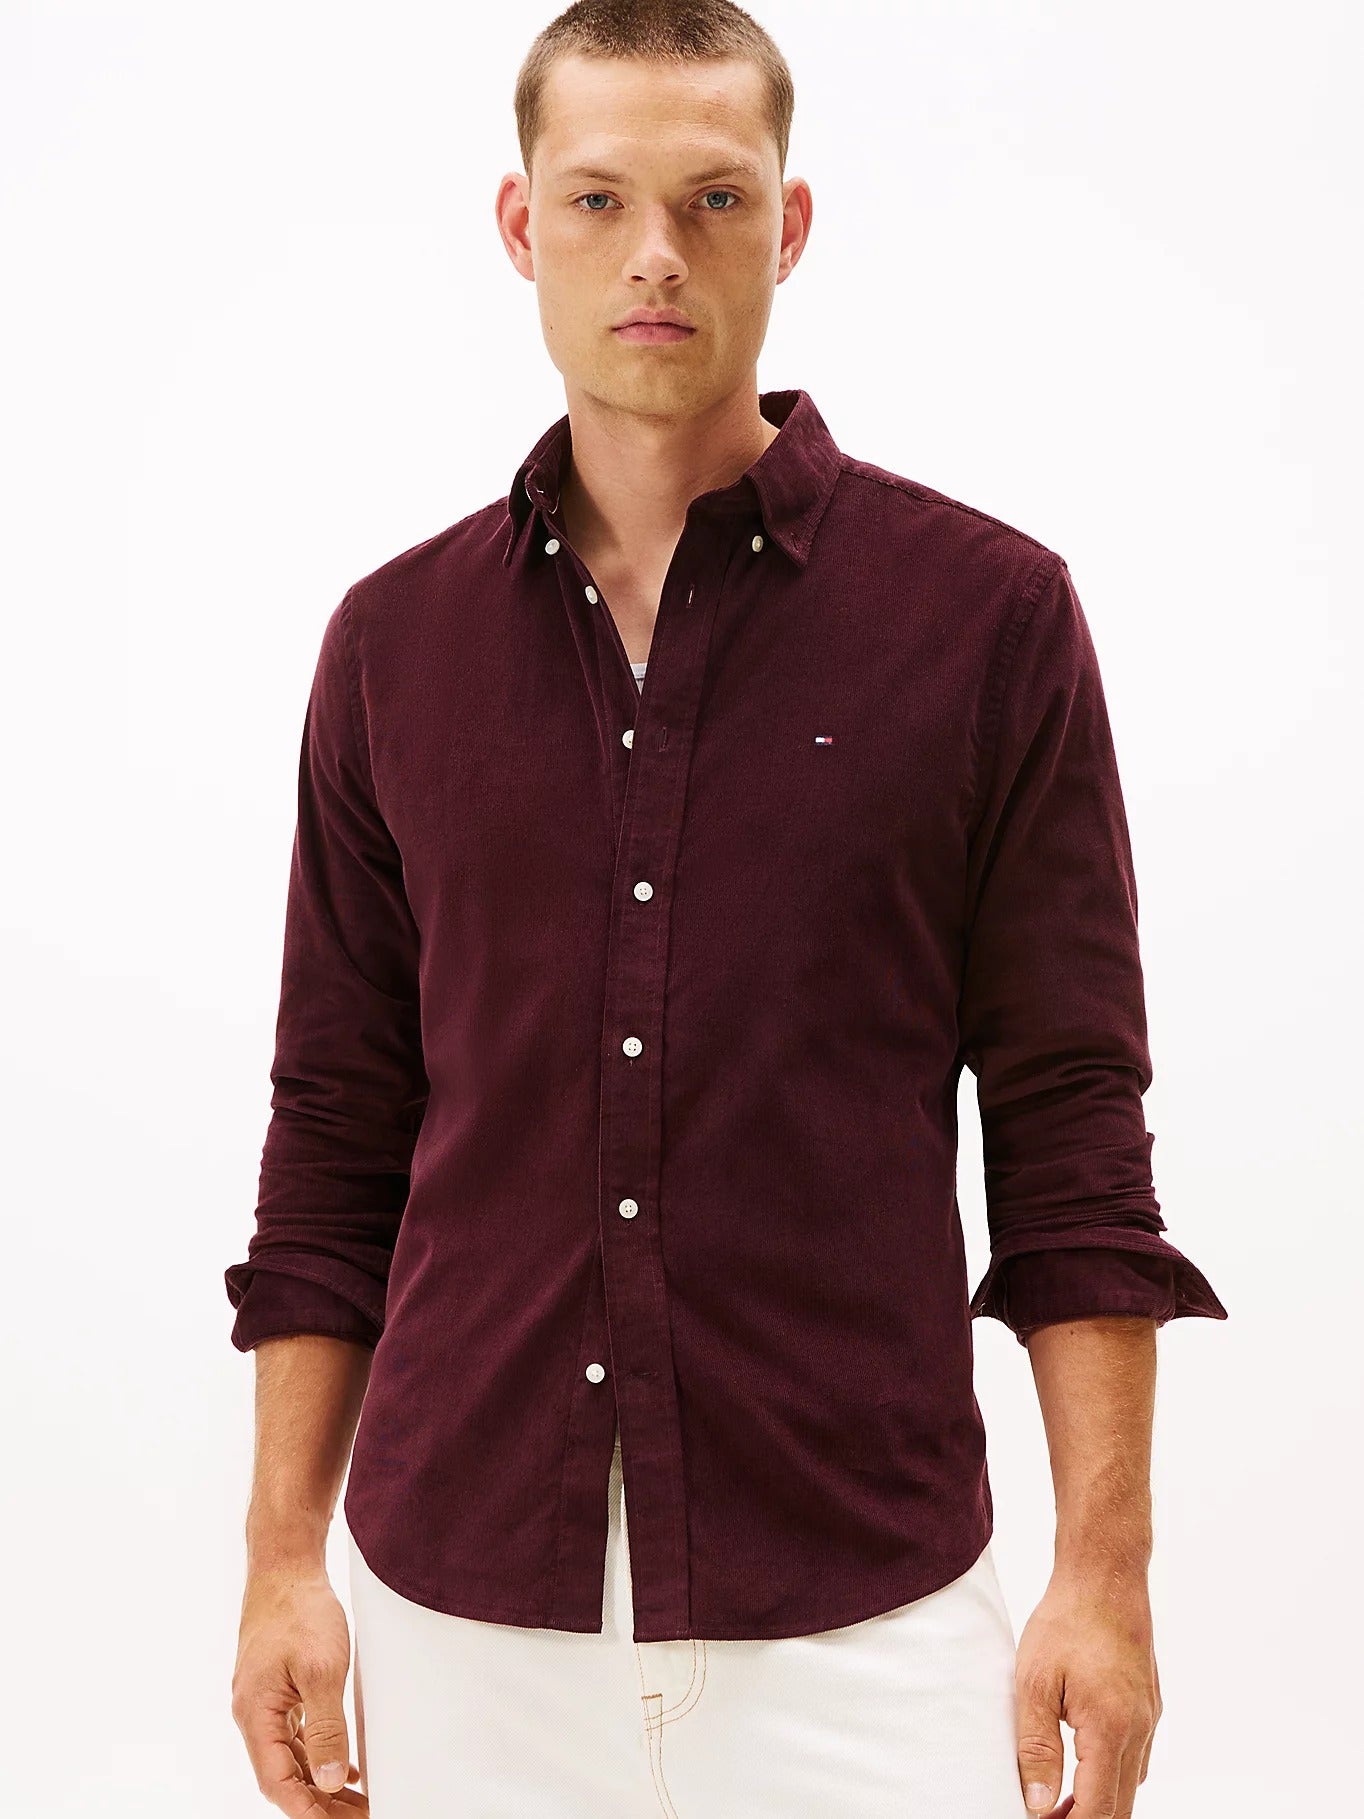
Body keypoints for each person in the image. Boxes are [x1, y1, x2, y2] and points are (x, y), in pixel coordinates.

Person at [225, 3, 1228, 1814]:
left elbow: (1073, 1126)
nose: (656, 256)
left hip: (865, 1613)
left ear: (791, 222)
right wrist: (281, 1555)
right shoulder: (391, 646)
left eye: (714, 198)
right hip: (463, 1621)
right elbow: (337, 1123)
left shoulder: (987, 624)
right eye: (598, 199)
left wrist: (1106, 1573)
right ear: (522, 225)